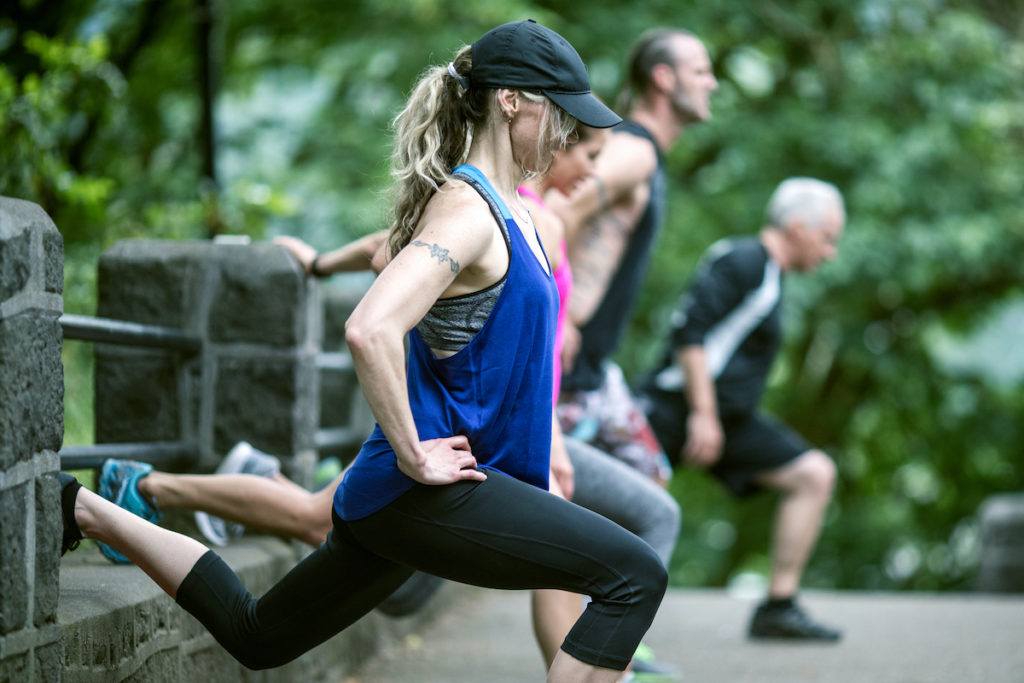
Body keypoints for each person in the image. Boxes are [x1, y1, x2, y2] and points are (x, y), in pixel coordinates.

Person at [58, 20, 667, 680]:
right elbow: (370, 326)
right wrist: (414, 453)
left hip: (419, 493)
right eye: (562, 113)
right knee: (632, 573)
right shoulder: (467, 210)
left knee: (258, 634)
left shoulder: (512, 207)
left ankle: (83, 508)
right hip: (427, 489)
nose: (569, 135)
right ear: (512, 100)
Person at [640, 177, 845, 641]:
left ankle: (778, 606)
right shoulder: (745, 260)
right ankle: (604, 631)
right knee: (634, 510)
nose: (830, 252)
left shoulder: (771, 276)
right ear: (797, 226)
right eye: (828, 238)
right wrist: (703, 413)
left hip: (727, 420)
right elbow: (689, 336)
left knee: (814, 474)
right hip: (675, 410)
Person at [548, 29, 718, 487]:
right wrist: (558, 317)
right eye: (701, 71)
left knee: (651, 481)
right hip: (564, 372)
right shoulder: (634, 150)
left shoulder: (639, 153)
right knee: (635, 507)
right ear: (663, 79)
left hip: (595, 374)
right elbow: (552, 210)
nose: (713, 83)